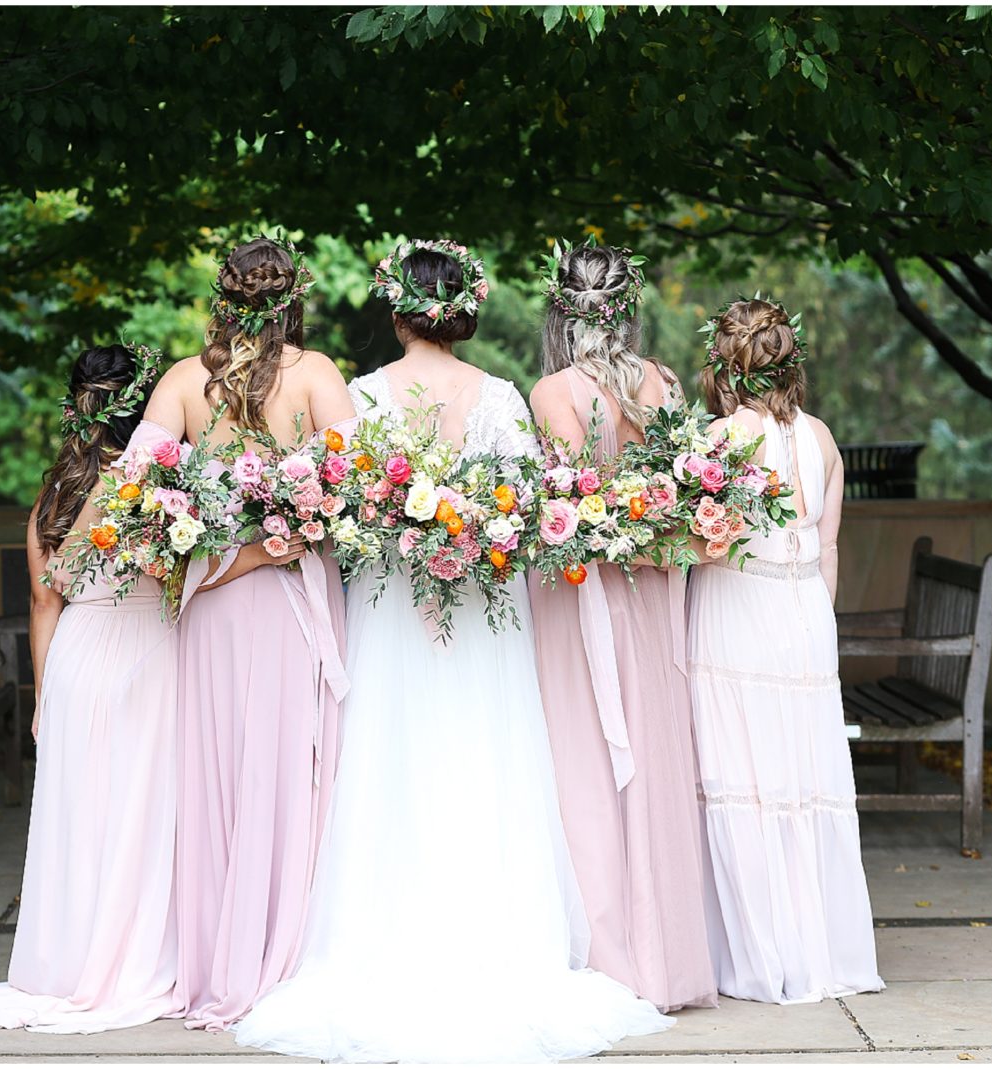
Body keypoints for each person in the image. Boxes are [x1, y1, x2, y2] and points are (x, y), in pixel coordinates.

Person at [233, 239, 673, 1063]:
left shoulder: (363, 396)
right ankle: (499, 939)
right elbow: (532, 506)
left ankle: (384, 937)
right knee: (483, 757)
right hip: (479, 616)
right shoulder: (503, 396)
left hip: (396, 607)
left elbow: (344, 507)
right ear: (463, 311)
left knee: (392, 756)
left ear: (397, 311)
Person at [137, 235, 357, 1031]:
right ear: (293, 295)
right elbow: (363, 484)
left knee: (217, 772)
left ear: (222, 298)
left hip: (214, 604)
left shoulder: (184, 381)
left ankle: (217, 961)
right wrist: (289, 527)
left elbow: (135, 493)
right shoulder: (319, 375)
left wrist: (202, 528)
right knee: (286, 768)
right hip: (289, 598)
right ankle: (279, 954)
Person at [0, 343, 183, 1033]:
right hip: (145, 651)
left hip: (77, 656)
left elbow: (44, 602)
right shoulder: (158, 484)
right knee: (139, 812)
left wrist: (44, 695)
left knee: (79, 816)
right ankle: (134, 959)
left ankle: (71, 962)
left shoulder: (55, 491)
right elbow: (169, 581)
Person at [526, 240, 719, 1013]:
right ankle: (665, 955)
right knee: (655, 754)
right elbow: (678, 488)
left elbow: (578, 504)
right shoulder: (665, 384)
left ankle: (608, 956)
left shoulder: (554, 392)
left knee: (588, 763)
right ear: (627, 311)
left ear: (562, 312)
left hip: (588, 599)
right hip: (656, 587)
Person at [688, 297, 884, 1003]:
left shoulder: (718, 439)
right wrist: (812, 626)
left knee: (744, 776)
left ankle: (759, 958)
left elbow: (705, 549)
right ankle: (821, 953)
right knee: (804, 783)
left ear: (726, 363)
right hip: (804, 612)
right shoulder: (823, 438)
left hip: (739, 606)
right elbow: (829, 546)